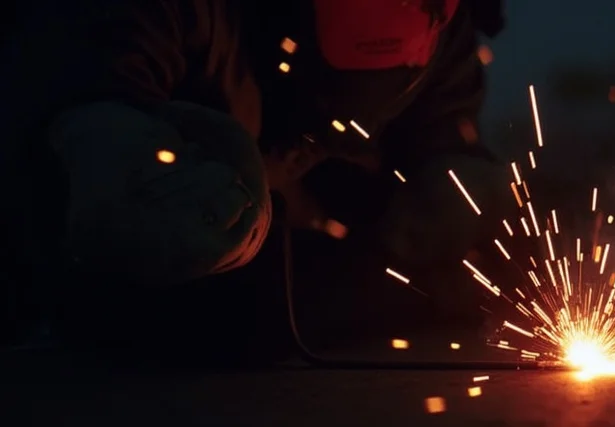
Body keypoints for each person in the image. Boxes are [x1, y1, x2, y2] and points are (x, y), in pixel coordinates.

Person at [2, 0, 511, 362]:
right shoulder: (175, 17)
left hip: (309, 284)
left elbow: (445, 122)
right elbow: (85, 53)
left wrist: (460, 176)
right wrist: (98, 125)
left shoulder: (448, 23)